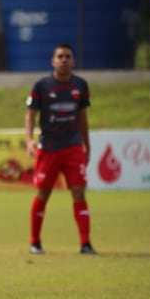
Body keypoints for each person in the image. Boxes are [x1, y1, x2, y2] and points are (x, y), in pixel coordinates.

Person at [25, 43, 96, 255]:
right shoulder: (41, 86)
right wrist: (29, 140)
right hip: (49, 148)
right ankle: (35, 241)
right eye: (60, 56)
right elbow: (30, 115)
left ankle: (85, 243)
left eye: (68, 56)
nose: (64, 60)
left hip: (73, 147)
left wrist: (87, 144)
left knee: (78, 191)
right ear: (53, 61)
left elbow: (83, 118)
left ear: (73, 61)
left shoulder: (81, 85)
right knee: (44, 192)